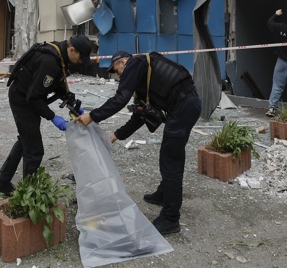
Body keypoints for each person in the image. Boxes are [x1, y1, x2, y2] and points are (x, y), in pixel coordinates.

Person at [74, 50, 201, 236]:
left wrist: (93, 116)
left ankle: (171, 218)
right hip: (185, 106)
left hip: (184, 105)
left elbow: (120, 98)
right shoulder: (143, 78)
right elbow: (140, 117)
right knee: (171, 153)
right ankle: (165, 193)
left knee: (170, 159)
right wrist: (114, 136)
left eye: (116, 68)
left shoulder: (136, 64)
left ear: (123, 62)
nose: (117, 74)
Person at [0, 34, 94, 196]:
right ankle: (29, 196)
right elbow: (33, 98)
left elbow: (57, 84)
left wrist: (72, 103)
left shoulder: (60, 55)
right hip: (22, 100)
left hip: (27, 96)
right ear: (72, 49)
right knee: (34, 150)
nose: (81, 61)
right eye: (81, 57)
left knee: (26, 139)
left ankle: (2, 181)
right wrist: (53, 117)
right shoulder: (49, 62)